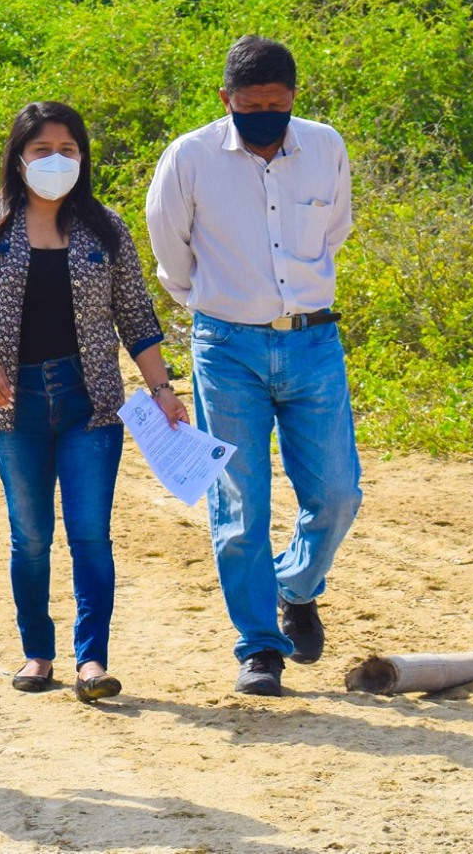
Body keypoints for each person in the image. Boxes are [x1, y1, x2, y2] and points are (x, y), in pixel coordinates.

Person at [146, 35, 361, 697]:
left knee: (338, 493)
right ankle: (260, 646)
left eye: (276, 103)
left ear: (294, 97)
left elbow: (334, 231)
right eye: (252, 105)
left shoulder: (324, 147)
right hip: (227, 348)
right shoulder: (190, 157)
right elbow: (170, 250)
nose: (266, 115)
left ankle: (294, 587)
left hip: (312, 344)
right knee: (239, 501)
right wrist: (223, 305)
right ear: (226, 99)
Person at [0, 102, 179, 703]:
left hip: (90, 401)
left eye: (68, 150)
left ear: (83, 157)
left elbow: (136, 317)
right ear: (19, 158)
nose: (56, 160)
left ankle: (92, 660)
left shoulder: (106, 228)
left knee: (90, 534)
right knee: (30, 536)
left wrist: (162, 390)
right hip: (12, 400)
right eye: (42, 150)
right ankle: (37, 652)